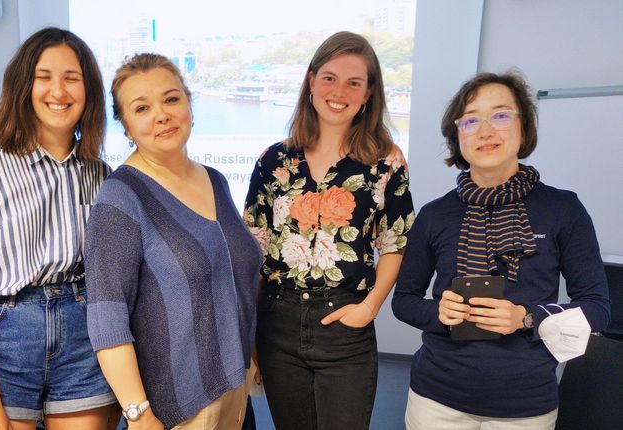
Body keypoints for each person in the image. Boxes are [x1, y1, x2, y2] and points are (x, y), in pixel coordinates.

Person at [391, 71, 610, 429]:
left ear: (523, 129)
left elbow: (598, 308)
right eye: (471, 120)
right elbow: (405, 300)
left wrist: (527, 317)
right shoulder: (434, 215)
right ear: (456, 136)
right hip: (435, 398)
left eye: (501, 115)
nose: (485, 130)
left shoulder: (563, 209)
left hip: (525, 405)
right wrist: (439, 313)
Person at [0, 27, 116, 430]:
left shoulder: (102, 176)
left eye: (72, 78)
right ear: (22, 85)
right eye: (43, 76)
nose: (58, 90)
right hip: (4, 337)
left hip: (83, 340)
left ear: (88, 91)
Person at [244, 31, 415, 429]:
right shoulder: (273, 160)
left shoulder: (385, 163)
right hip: (278, 322)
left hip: (345, 322)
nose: (340, 91)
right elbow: (254, 248)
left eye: (354, 82)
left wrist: (369, 308)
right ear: (311, 82)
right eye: (330, 78)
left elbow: (395, 244)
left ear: (369, 92)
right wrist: (251, 331)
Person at [84, 53, 262, 430]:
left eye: (171, 99)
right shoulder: (121, 197)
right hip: (178, 408)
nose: (161, 114)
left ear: (189, 106)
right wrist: (138, 414)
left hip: (236, 389)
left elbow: (233, 277)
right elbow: (106, 321)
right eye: (142, 107)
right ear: (127, 127)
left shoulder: (216, 180)